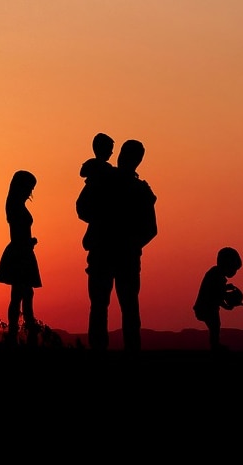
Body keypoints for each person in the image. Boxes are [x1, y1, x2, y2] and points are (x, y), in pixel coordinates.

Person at [76, 139, 157, 352]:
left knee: (111, 307)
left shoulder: (126, 186)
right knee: (121, 307)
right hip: (116, 255)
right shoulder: (132, 187)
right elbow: (82, 209)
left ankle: (109, 350)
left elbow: (82, 209)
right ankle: (123, 350)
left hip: (112, 254)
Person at [0, 170, 42, 346]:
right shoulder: (15, 206)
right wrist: (28, 241)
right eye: (29, 187)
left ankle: (22, 331)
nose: (30, 192)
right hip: (20, 251)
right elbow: (17, 232)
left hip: (22, 251)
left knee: (23, 293)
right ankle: (23, 331)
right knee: (21, 294)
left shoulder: (16, 205)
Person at [193, 247, 243, 352]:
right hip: (205, 307)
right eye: (234, 269)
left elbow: (218, 291)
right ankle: (215, 346)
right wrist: (226, 305)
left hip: (208, 307)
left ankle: (215, 345)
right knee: (215, 325)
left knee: (215, 325)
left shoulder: (216, 274)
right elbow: (217, 294)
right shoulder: (216, 275)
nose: (234, 272)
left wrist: (226, 288)